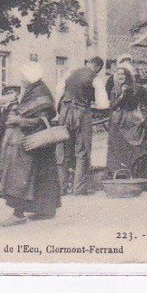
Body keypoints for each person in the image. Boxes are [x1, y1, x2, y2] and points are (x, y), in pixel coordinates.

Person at [0, 62, 61, 225]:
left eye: (23, 76)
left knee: (22, 177)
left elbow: (42, 120)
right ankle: (45, 210)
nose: (21, 79)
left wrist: (20, 120)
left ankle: (17, 214)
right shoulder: (36, 90)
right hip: (38, 145)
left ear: (29, 77)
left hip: (34, 143)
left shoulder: (40, 94)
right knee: (42, 177)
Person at [59, 54, 104, 195]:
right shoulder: (95, 78)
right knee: (82, 151)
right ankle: (78, 188)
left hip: (65, 112)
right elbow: (102, 104)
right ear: (97, 67)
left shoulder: (71, 73)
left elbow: (59, 91)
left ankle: (61, 188)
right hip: (81, 112)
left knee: (65, 151)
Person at [106, 66, 147, 174]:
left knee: (134, 145)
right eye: (118, 74)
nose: (120, 76)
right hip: (119, 120)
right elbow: (113, 106)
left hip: (133, 120)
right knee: (118, 147)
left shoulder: (138, 88)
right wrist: (122, 95)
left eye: (123, 74)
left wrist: (143, 115)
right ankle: (120, 173)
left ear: (127, 75)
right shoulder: (115, 89)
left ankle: (136, 172)